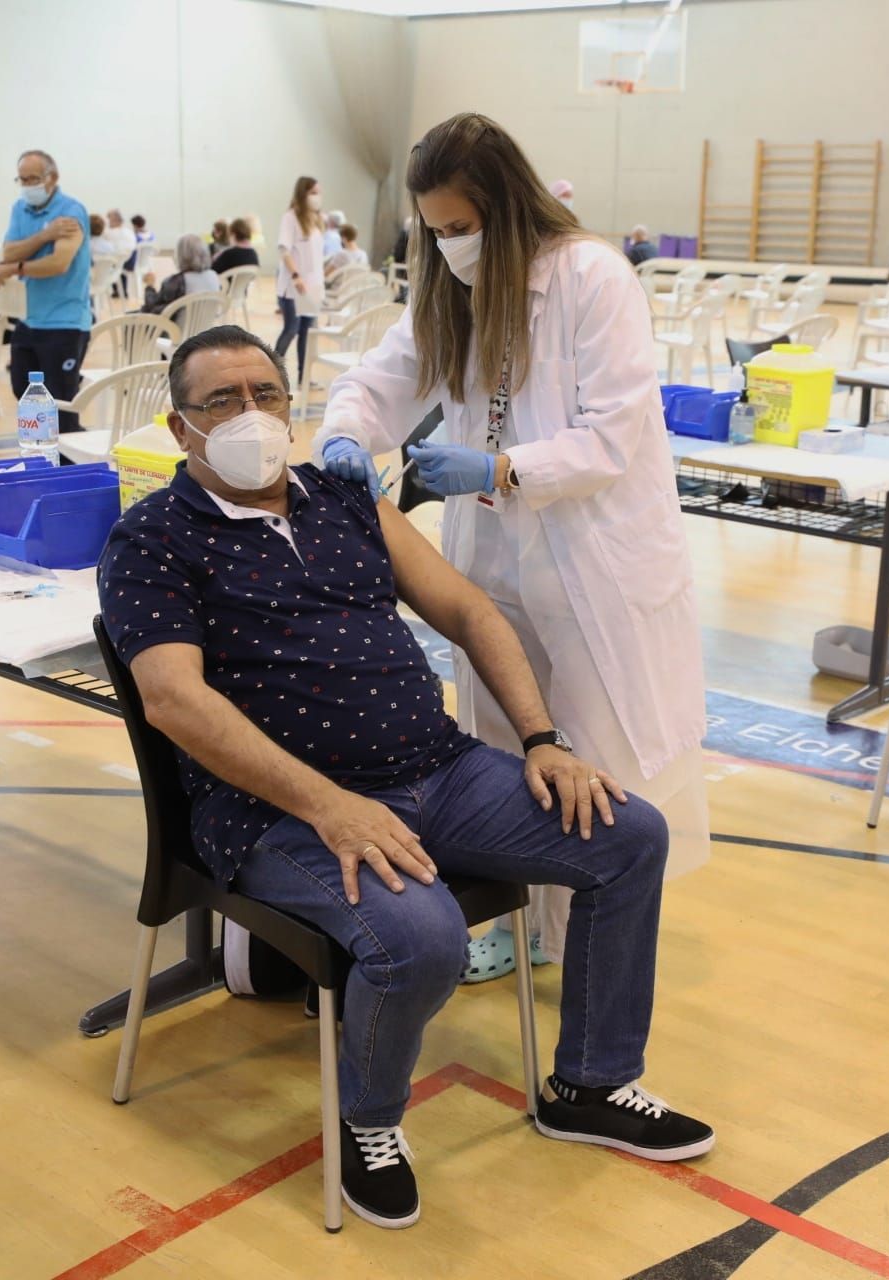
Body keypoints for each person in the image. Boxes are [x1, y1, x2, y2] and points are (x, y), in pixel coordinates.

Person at [99, 323, 715, 1230]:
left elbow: (466, 608)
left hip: (438, 769)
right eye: (221, 401)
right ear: (179, 427)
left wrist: (542, 738)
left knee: (629, 837)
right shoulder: (152, 539)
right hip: (281, 814)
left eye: (266, 395)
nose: (251, 415)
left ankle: (592, 1082)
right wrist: (331, 807)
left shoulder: (342, 502)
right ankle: (369, 1122)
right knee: (423, 939)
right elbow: (175, 703)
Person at [313, 113, 710, 984]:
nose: (450, 245)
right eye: (437, 231)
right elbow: (376, 380)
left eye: (461, 227)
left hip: (595, 558)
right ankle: (520, 921)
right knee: (501, 745)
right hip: (495, 556)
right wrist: (346, 436)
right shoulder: (450, 289)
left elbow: (612, 437)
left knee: (593, 760)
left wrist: (500, 466)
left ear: (505, 206)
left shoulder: (592, 278)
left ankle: (587, 944)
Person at [0, 148, 93, 430]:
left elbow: (59, 263)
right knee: (24, 393)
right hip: (28, 319)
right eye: (22, 179)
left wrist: (16, 268)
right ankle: (42, 463)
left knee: (60, 407)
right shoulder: (19, 209)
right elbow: (8, 251)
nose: (27, 185)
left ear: (52, 178)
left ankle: (70, 469)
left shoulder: (71, 211)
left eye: (33, 178)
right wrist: (45, 234)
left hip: (65, 322)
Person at [274, 176, 325, 383]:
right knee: (291, 328)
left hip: (313, 286)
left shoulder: (316, 220)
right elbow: (284, 250)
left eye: (318, 193)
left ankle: (304, 377)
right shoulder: (291, 217)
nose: (317, 197)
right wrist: (296, 275)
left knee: (307, 331)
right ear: (302, 194)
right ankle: (273, 372)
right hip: (294, 286)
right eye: (313, 192)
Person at [139, 233, 219, 314]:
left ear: (180, 255)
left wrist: (149, 286)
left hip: (172, 326)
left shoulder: (176, 282)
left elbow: (151, 307)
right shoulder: (213, 276)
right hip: (204, 324)